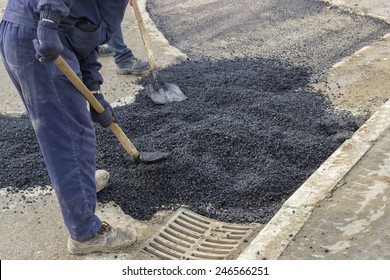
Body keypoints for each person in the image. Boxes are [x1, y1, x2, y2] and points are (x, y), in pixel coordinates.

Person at [0, 0, 137, 255]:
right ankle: (85, 232)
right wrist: (50, 20)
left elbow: (85, 38)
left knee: (64, 131)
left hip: (32, 31)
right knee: (70, 138)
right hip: (39, 35)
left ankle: (80, 186)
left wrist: (95, 91)